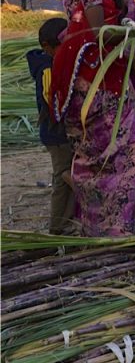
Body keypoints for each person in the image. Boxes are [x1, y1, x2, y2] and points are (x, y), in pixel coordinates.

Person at [51, 0, 135, 236]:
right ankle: (114, 227)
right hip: (100, 80)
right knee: (131, 150)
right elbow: (99, 32)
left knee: (98, 153)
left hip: (90, 76)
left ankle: (98, 224)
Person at [28, 17, 75, 235]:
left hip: (60, 132)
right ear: (47, 47)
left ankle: (68, 220)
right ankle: (57, 226)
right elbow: (53, 100)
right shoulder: (47, 68)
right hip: (56, 133)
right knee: (62, 176)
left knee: (66, 173)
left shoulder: (54, 61)